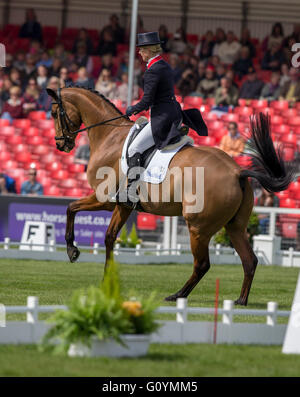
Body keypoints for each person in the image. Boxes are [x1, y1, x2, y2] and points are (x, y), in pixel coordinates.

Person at [118, 31, 208, 209]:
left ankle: (131, 192)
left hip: (161, 118)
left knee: (134, 148)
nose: (140, 53)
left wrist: (132, 109)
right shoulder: (165, 66)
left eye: (142, 50)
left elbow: (147, 100)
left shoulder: (153, 70)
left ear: (150, 50)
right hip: (173, 112)